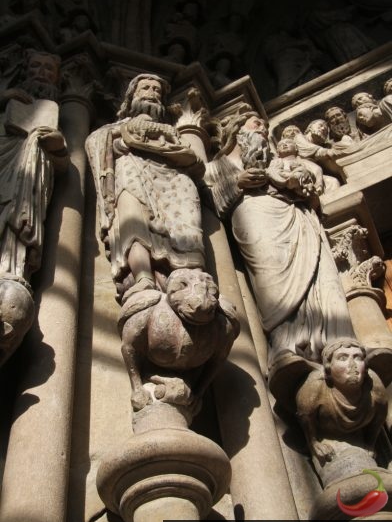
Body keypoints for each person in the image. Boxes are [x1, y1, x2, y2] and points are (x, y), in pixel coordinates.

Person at [203, 110, 354, 366]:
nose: (262, 128)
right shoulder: (216, 167)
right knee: (271, 280)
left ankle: (340, 344)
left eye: (264, 125)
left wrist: (297, 185)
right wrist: (238, 183)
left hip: (298, 220)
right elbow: (207, 205)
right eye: (255, 123)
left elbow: (313, 194)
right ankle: (287, 346)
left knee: (321, 278)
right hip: (257, 223)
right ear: (238, 131)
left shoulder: (279, 161)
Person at [85, 74, 206, 302]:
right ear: (132, 96)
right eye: (146, 88)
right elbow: (94, 141)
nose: (152, 92)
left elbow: (197, 163)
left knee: (188, 229)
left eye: (157, 90)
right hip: (133, 174)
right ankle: (143, 277)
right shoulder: (117, 127)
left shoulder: (173, 131)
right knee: (133, 220)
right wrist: (124, 135)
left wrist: (170, 149)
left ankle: (193, 282)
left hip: (175, 182)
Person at [0, 49, 68, 280]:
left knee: (18, 220)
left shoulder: (58, 114)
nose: (41, 73)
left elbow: (63, 165)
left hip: (30, 183)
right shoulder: (7, 103)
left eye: (49, 69)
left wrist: (57, 146)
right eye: (36, 66)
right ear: (25, 70)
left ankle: (12, 268)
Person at [296, 339, 387, 467]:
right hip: (326, 438)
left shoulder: (373, 385)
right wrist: (314, 443)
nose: (352, 365)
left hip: (359, 438)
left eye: (358, 358)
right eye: (342, 358)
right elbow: (305, 416)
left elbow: (380, 416)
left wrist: (371, 443)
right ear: (328, 367)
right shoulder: (315, 387)